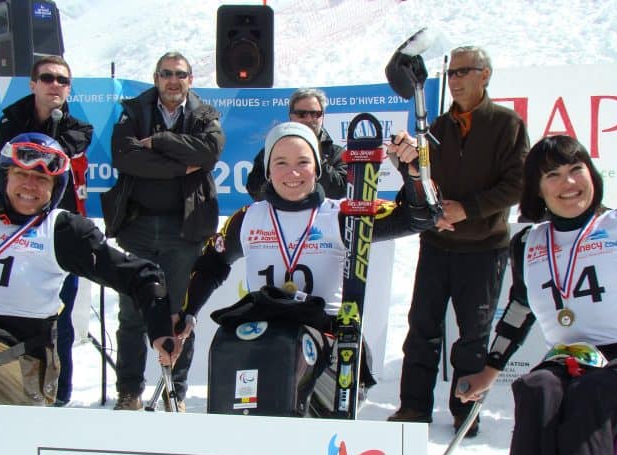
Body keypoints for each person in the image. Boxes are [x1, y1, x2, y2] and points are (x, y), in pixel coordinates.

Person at [457, 135, 617, 455]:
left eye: (576, 169)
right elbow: (520, 309)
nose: (568, 183)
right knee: (536, 389)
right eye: (553, 175)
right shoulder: (528, 243)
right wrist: (489, 370)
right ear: (537, 188)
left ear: (592, 173)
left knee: (594, 394)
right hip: (573, 358)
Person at [0, 132, 176, 409]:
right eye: (22, 174)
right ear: (5, 176)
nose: (30, 186)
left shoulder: (64, 231)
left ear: (55, 188)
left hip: (18, 364)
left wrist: (161, 329)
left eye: (42, 179)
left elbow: (141, 276)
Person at [174, 122, 443, 403]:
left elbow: (421, 217)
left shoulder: (343, 215)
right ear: (267, 170)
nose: (292, 172)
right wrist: (188, 313)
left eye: (303, 162)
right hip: (264, 344)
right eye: (281, 162)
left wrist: (413, 172)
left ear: (317, 168)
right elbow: (212, 264)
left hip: (327, 347)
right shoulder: (247, 218)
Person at [385, 46, 530, 437]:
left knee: (473, 334)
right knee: (421, 327)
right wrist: (407, 163)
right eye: (451, 73)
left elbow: (517, 184)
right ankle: (413, 407)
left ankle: (465, 411)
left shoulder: (507, 124)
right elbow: (421, 180)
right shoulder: (433, 126)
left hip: (484, 248)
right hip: (437, 244)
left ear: (486, 75)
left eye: (465, 71)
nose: (455, 79)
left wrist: (467, 209)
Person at [103, 50, 224, 411]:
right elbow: (125, 158)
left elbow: (209, 152)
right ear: (157, 78)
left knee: (180, 315)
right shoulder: (135, 110)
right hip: (137, 227)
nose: (174, 80)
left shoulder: (204, 114)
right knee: (131, 313)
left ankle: (177, 393)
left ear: (190, 79)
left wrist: (159, 142)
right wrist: (179, 166)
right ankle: (129, 391)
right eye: (167, 73)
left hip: (184, 229)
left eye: (181, 74)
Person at [0, 55, 94, 407]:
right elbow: (10, 163)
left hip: (56, 237)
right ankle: (7, 390)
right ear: (33, 84)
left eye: (63, 81)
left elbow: (47, 155)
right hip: (13, 233)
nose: (56, 86)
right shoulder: (9, 118)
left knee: (60, 319)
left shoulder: (80, 127)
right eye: (48, 78)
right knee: (7, 315)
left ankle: (61, 396)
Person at [245, 87, 346, 201]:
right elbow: (254, 189)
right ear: (291, 116)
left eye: (315, 114)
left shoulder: (337, 153)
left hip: (322, 216)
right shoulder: (274, 149)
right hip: (280, 215)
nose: (309, 119)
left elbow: (341, 191)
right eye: (301, 114)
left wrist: (315, 156)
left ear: (322, 116)